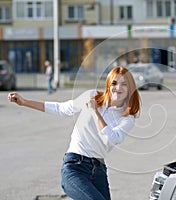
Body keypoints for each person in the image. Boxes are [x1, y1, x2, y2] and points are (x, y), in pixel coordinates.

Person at [7, 66, 141, 200]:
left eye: (124, 84)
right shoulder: (91, 96)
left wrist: (95, 112)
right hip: (75, 166)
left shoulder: (127, 117)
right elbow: (61, 109)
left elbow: (110, 139)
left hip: (98, 170)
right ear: (108, 85)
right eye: (114, 83)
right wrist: (24, 102)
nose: (118, 88)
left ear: (130, 88)